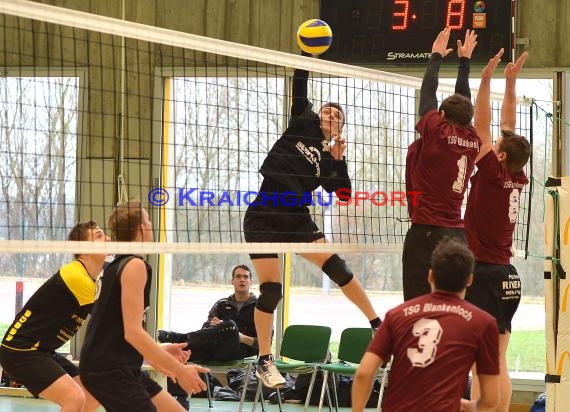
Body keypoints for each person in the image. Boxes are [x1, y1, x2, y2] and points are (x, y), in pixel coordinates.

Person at [243, 53, 381, 389]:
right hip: (264, 213)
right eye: (328, 111)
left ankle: (378, 324)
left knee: (339, 269)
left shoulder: (328, 158)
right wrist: (305, 56)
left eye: (337, 116)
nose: (330, 115)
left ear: (339, 130)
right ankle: (264, 360)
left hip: (296, 219)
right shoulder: (301, 123)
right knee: (272, 291)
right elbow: (300, 87)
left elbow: (344, 195)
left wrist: (340, 161)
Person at [79, 200, 208, 412]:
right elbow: (133, 333)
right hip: (109, 370)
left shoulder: (114, 263)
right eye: (147, 219)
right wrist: (181, 371)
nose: (150, 223)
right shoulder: (134, 265)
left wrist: (162, 353)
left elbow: (116, 331)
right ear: (142, 227)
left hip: (118, 366)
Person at [352, 238, 500, 412]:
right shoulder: (483, 323)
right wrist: (470, 406)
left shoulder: (396, 315)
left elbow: (363, 374)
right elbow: (490, 400)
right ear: (469, 280)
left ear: (430, 276)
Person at [464, 49, 530, 412]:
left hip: (486, 274)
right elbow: (507, 125)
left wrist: (486, 79)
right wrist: (510, 81)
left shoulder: (492, 172)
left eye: (496, 148)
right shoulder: (517, 175)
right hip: (508, 276)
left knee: (481, 364)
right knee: (498, 360)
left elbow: (483, 126)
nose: (493, 144)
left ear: (499, 156)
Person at [403, 28, 480, 301]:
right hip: (456, 234)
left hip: (426, 232)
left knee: (415, 304)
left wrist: (435, 56)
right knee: (453, 304)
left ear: (443, 115)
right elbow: (464, 103)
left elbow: (428, 94)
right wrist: (464, 63)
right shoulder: (472, 138)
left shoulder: (437, 132)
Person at [0, 221, 109, 412]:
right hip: (21, 351)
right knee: (74, 398)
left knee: (90, 394)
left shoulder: (93, 280)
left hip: (41, 350)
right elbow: (111, 325)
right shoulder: (78, 277)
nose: (108, 238)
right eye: (99, 235)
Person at [158, 264, 258, 361]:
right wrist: (211, 325)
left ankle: (181, 337)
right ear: (232, 281)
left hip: (239, 350)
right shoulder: (222, 303)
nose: (242, 280)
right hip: (215, 348)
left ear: (250, 282)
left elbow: (264, 343)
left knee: (230, 326)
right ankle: (161, 352)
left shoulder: (258, 307)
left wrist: (241, 337)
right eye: (238, 276)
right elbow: (204, 330)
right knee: (182, 354)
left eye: (245, 277)